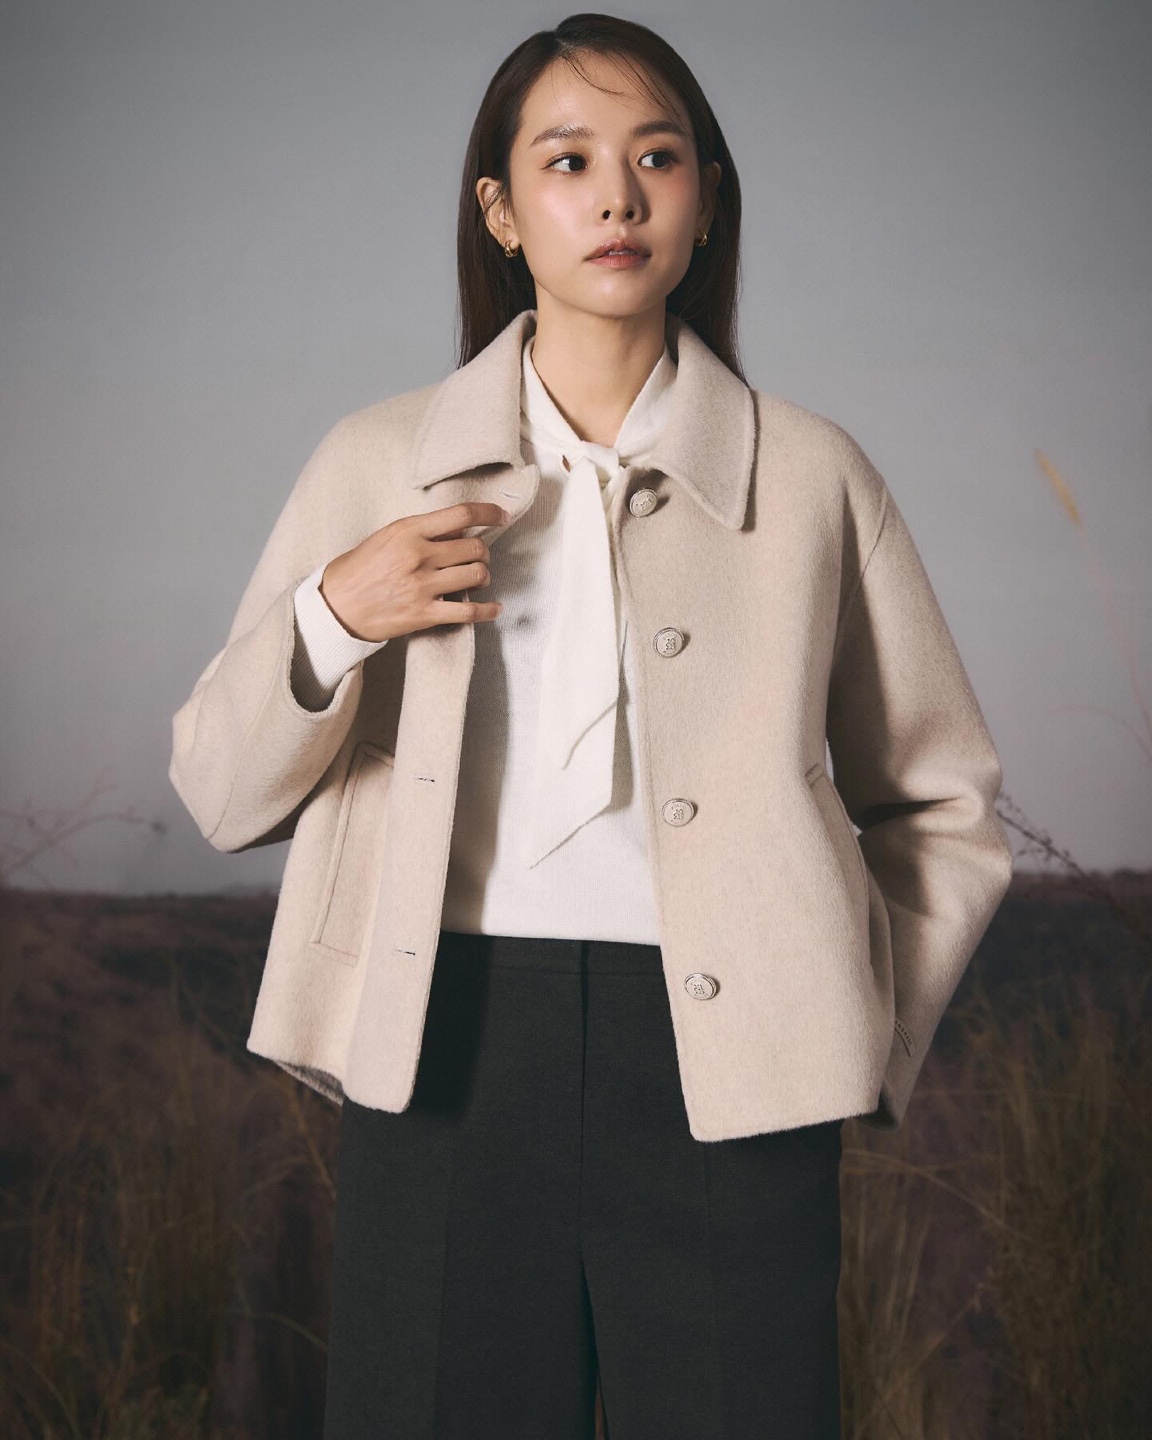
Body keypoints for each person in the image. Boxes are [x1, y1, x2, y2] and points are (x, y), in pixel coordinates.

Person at [168, 14, 1014, 1440]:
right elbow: (217, 787)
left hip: (735, 1074)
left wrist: (853, 1033)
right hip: (440, 1053)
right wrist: (335, 610)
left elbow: (945, 806)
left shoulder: (814, 477)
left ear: (707, 201)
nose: (617, 196)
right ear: (501, 212)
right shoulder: (379, 461)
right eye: (567, 162)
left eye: (657, 159)